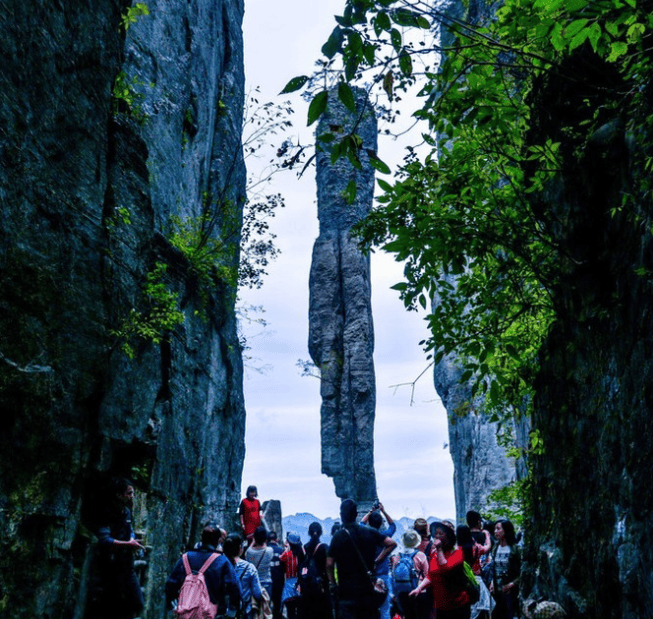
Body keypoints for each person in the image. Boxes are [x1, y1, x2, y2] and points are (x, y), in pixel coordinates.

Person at [327, 498, 397, 619]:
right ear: (355, 514)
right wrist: (377, 560)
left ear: (342, 515)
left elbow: (329, 564)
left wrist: (333, 584)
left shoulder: (338, 537)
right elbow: (391, 544)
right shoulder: (369, 532)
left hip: (346, 593)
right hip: (367, 591)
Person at [92, 478, 145, 619]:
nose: (132, 496)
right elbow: (104, 540)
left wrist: (132, 539)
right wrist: (128, 544)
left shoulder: (126, 512)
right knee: (115, 607)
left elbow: (130, 529)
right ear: (119, 495)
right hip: (111, 568)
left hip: (127, 566)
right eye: (129, 493)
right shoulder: (107, 512)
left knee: (138, 603)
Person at [165, 524, 241, 617]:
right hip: (213, 614)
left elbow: (170, 583)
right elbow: (235, 586)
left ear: (201, 539)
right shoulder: (222, 561)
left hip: (186, 612)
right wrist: (232, 611)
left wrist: (173, 605)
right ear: (218, 541)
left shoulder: (185, 558)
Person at [409, 521, 471, 619]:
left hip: (458, 605)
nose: (437, 537)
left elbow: (445, 570)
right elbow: (431, 575)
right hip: (441, 605)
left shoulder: (458, 552)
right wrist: (419, 588)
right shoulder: (435, 554)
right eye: (436, 534)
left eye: (440, 534)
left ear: (449, 536)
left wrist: (439, 549)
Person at [361, 502, 397, 619]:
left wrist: (371, 511)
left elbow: (361, 523)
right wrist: (383, 511)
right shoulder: (385, 535)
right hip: (384, 575)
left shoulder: (364, 535)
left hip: (369, 577)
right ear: (381, 523)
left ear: (370, 523)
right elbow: (393, 526)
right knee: (385, 609)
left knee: (368, 608)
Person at [390, 529, 430, 619]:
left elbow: (393, 575)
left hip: (400, 591)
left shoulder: (397, 556)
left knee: (406, 614)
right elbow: (427, 575)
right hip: (418, 591)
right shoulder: (421, 555)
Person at [224, 533, 263, 619]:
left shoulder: (218, 564)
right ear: (240, 549)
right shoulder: (249, 568)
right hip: (243, 612)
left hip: (222, 611)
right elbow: (257, 593)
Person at [298, 521, 331, 619]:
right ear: (321, 533)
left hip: (306, 590)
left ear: (309, 533)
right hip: (322, 589)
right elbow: (329, 566)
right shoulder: (324, 548)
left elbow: (299, 568)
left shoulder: (304, 548)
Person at [490, 520, 520, 619]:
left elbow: (523, 572)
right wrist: (492, 583)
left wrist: (512, 584)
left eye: (498, 529)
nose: (495, 531)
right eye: (495, 529)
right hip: (497, 591)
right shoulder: (495, 548)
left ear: (506, 530)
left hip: (511, 591)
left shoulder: (515, 549)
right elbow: (493, 568)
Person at [280, 532, 305, 619]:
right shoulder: (303, 553)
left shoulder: (286, 554)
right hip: (301, 585)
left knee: (290, 612)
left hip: (289, 586)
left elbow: (280, 559)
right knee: (300, 611)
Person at [246, 526, 274, 598]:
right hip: (266, 583)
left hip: (254, 583)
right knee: (266, 607)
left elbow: (249, 548)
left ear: (254, 538)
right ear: (265, 539)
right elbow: (265, 547)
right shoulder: (270, 550)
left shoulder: (249, 552)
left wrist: (253, 541)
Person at [267, 531, 285, 619]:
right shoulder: (281, 550)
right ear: (276, 539)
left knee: (266, 603)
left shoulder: (264, 551)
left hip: (267, 581)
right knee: (277, 604)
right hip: (279, 581)